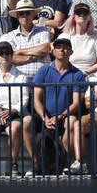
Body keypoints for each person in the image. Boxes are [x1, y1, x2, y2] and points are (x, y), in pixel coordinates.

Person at [32, 37, 89, 175]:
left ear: (71, 52)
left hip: (65, 115)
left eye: (65, 47)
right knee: (26, 124)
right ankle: (37, 164)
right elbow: (36, 99)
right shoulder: (43, 71)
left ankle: (69, 163)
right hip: (45, 116)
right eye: (58, 47)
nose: (62, 50)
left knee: (72, 122)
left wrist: (61, 115)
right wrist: (45, 118)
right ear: (53, 51)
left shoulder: (78, 74)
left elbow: (76, 103)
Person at [0, 40, 35, 177]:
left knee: (14, 128)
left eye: (7, 53)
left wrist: (11, 110)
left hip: (15, 112)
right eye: (1, 53)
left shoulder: (22, 76)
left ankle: (13, 164)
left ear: (12, 55)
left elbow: (24, 98)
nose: (4, 56)